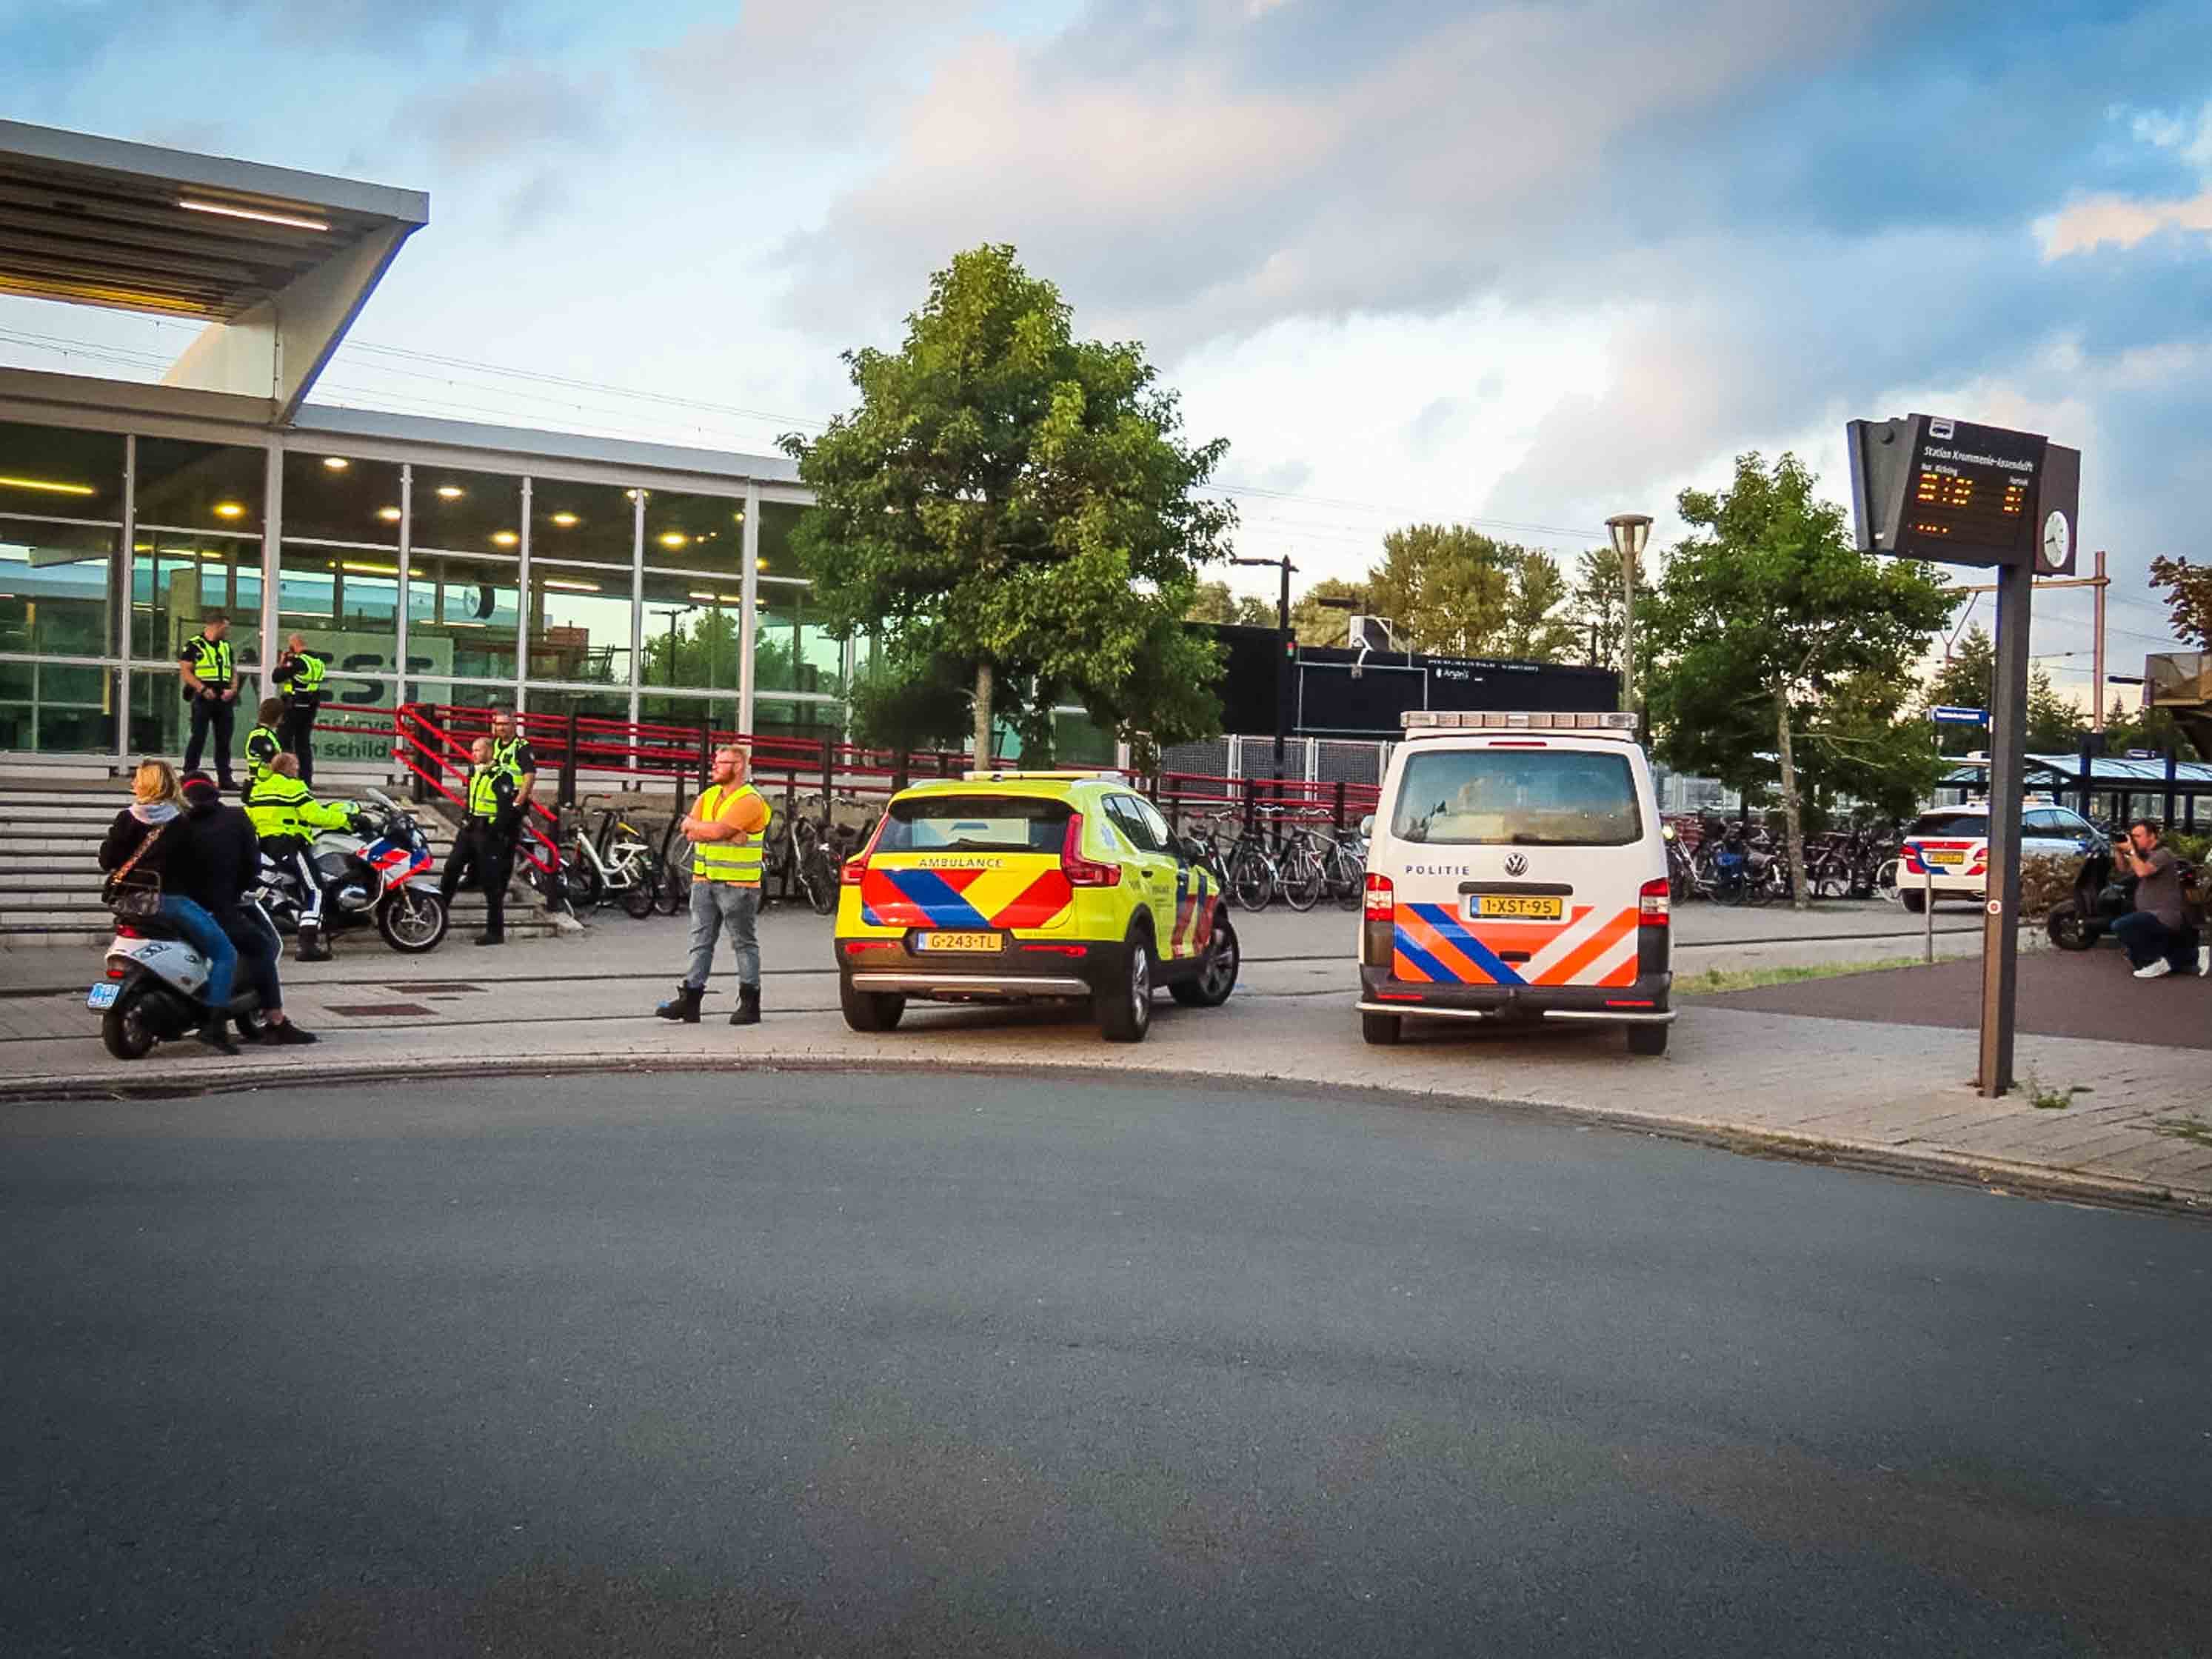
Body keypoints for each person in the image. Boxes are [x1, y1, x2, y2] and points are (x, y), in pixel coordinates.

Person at [98, 758, 237, 1052]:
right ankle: (214, 1023)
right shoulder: (180, 821)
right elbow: (196, 868)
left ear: (144, 784)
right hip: (170, 903)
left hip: (129, 904)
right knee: (225, 953)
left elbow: (106, 860)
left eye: (137, 778)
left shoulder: (126, 818)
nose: (133, 782)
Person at [177, 771, 315, 1046]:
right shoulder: (236, 818)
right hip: (219, 906)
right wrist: (236, 890)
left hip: (176, 906)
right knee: (260, 946)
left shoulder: (178, 824)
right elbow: (252, 865)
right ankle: (275, 1021)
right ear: (215, 791)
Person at [655, 744, 771, 1026]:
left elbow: (714, 829)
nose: (715, 767)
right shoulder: (708, 796)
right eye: (715, 762)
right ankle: (690, 1000)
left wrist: (711, 831)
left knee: (743, 943)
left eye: (722, 763)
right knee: (700, 942)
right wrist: (720, 833)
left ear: (739, 766)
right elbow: (688, 828)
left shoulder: (750, 800)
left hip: (738, 885)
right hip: (704, 881)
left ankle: (750, 1002)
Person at [244, 752, 355, 962]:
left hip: (267, 846)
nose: (298, 769)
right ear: (286, 767)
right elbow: (315, 815)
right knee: (316, 889)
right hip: (290, 845)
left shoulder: (259, 789)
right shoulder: (294, 787)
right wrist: (347, 819)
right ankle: (308, 944)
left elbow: (251, 817)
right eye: (295, 765)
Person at [439, 737, 515, 947]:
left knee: (492, 883)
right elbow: (470, 798)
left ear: (489, 751)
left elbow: (505, 811)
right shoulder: (475, 771)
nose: (473, 754)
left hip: (487, 833)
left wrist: (493, 833)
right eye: (472, 750)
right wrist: (465, 820)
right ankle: (438, 914)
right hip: (470, 829)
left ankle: (495, 932)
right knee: (452, 868)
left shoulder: (502, 776)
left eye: (478, 750)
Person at [2111, 818, 2202, 980]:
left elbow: (2143, 872)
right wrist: (2118, 851)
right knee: (2135, 958)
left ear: (2152, 836)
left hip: (2165, 915)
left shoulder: (2163, 854)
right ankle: (2194, 956)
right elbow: (2123, 869)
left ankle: (2157, 962)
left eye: (2138, 836)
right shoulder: (2145, 855)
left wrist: (2131, 851)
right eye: (2132, 836)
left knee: (2120, 926)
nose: (2134, 840)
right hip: (2151, 914)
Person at [178, 611, 239, 788]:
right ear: (216, 625)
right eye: (225, 627)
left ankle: (225, 778)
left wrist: (233, 690)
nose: (227, 632)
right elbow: (185, 671)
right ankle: (189, 775)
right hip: (204, 696)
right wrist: (202, 688)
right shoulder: (194, 645)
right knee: (198, 737)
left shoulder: (226, 647)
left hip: (224, 697)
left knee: (224, 739)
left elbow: (233, 671)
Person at [271, 635, 327, 784]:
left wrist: (282, 661)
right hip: (310, 706)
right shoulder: (318, 661)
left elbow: (276, 677)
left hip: (293, 706)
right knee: (303, 743)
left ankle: (287, 777)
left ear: (293, 646)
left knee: (284, 741)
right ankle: (306, 779)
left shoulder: (298, 661)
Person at [243, 696, 287, 790]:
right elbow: (271, 759)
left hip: (263, 785)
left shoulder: (262, 734)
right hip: (263, 786)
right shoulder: (262, 735)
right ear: (278, 717)